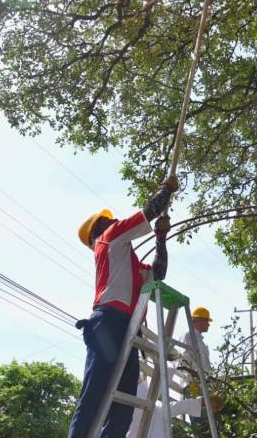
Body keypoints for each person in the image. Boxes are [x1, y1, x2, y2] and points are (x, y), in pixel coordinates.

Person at [67, 175, 177, 438]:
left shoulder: (128, 259)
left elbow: (158, 273)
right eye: (107, 219)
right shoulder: (108, 237)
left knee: (124, 406)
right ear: (98, 229)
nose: (114, 220)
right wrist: (166, 190)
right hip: (108, 322)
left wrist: (161, 238)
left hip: (129, 330)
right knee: (94, 395)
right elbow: (150, 210)